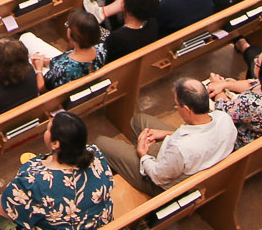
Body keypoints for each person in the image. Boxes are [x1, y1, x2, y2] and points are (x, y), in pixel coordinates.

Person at [0, 111, 114, 230]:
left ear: (56, 144)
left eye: (48, 130)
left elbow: (4, 209)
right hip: (95, 228)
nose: (46, 132)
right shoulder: (96, 155)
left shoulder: (35, 181)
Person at [96, 77, 237, 195]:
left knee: (100, 143)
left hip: (166, 184)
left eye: (176, 105)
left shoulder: (180, 148)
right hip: (193, 162)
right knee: (139, 121)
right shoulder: (224, 118)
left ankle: (135, 173)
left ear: (187, 109)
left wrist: (143, 154)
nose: (176, 108)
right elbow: (201, 138)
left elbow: (159, 176)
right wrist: (168, 134)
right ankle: (130, 163)